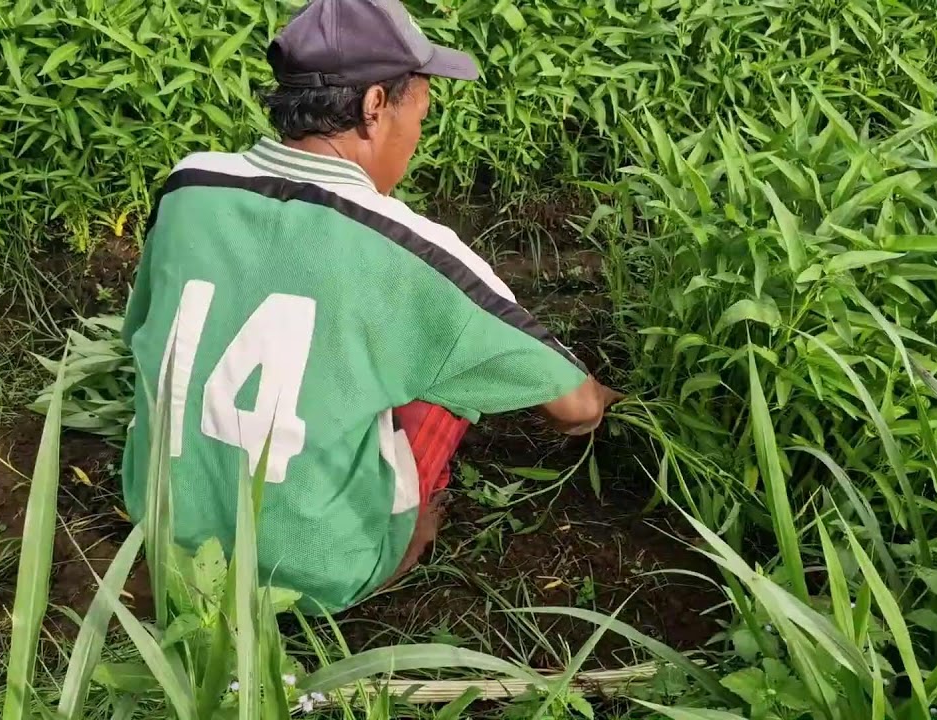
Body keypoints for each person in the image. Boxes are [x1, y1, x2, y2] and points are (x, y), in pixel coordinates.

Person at [120, 0, 619, 615]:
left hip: (162, 533)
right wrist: (609, 401)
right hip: (313, 575)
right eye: (420, 115)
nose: (416, 139)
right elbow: (576, 409)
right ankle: (403, 537)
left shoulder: (189, 186)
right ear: (375, 106)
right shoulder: (413, 251)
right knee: (446, 375)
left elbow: (140, 328)